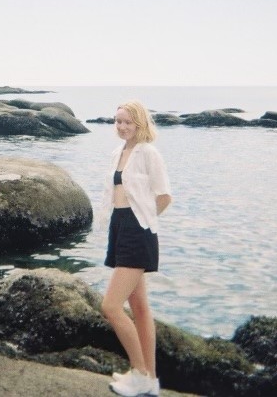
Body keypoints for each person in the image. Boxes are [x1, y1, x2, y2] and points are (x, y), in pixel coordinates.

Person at [101, 100, 172, 396]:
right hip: (119, 226)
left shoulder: (148, 153)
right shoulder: (118, 152)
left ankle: (140, 374)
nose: (121, 126)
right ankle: (150, 380)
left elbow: (164, 196)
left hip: (137, 230)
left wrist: (144, 222)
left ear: (139, 123)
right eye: (118, 121)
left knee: (110, 306)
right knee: (140, 307)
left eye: (127, 122)